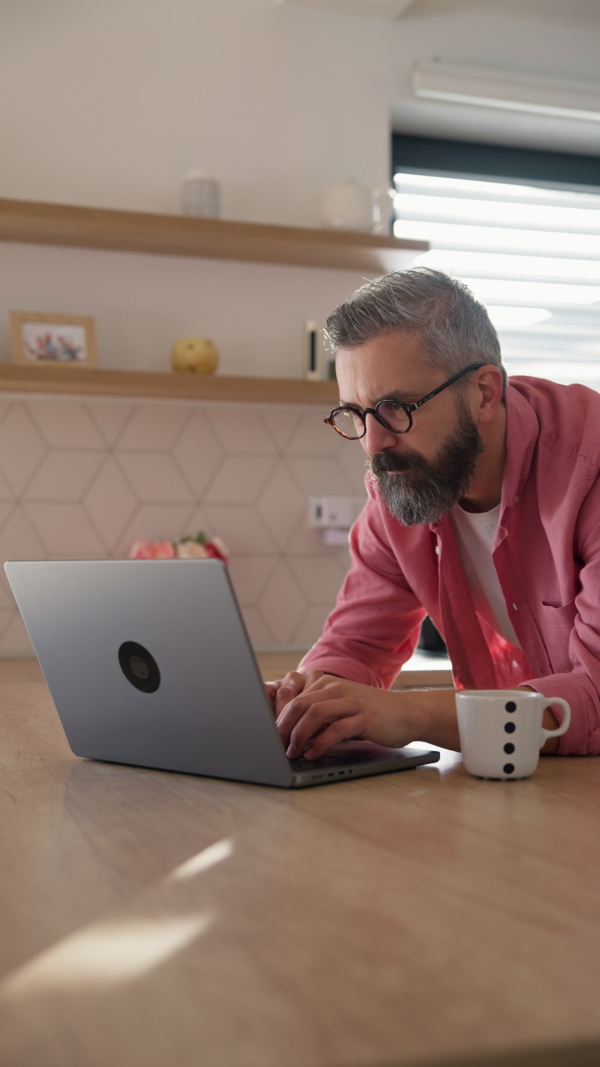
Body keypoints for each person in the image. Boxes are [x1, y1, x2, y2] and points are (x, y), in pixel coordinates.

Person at [267, 267, 600, 760]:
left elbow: (593, 698)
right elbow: (356, 647)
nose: (373, 443)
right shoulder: (400, 486)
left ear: (485, 393)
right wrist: (305, 702)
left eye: (396, 408)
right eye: (355, 415)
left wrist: (406, 714)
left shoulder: (588, 470)